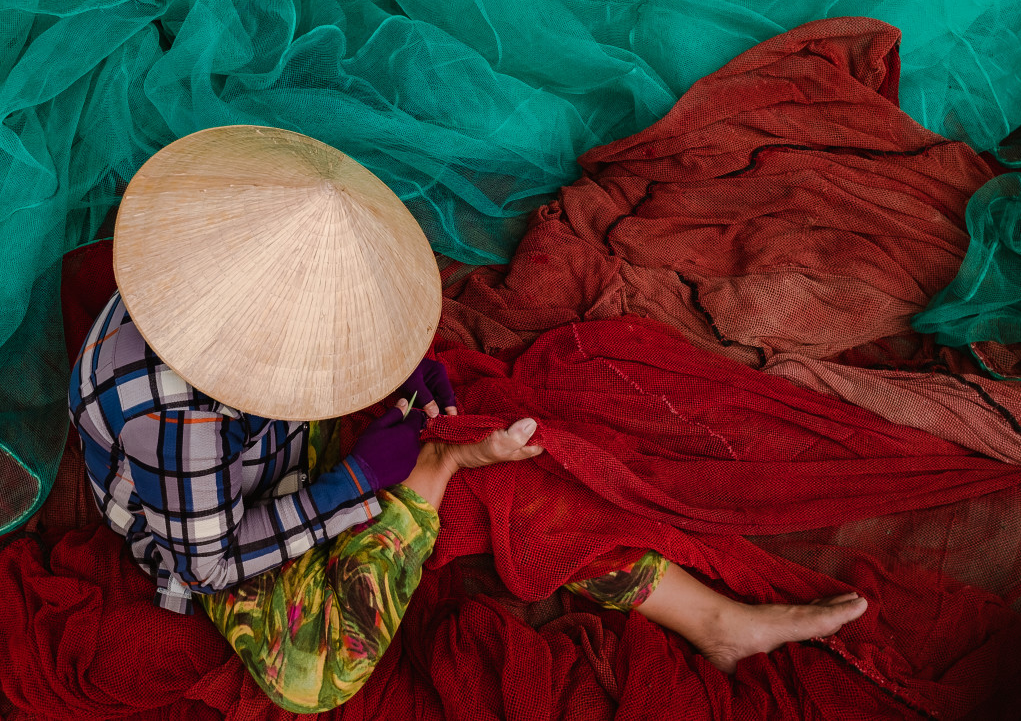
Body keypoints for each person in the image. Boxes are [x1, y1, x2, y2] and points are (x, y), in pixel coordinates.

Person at [69, 125, 867, 712]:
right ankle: (429, 480)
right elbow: (210, 561)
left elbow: (303, 336)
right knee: (315, 677)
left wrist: (386, 366)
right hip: (211, 531)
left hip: (278, 444)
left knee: (510, 466)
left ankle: (714, 618)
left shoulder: (235, 256)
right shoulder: (180, 423)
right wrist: (350, 481)